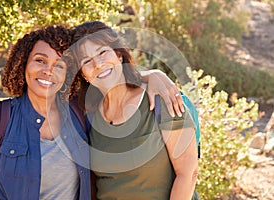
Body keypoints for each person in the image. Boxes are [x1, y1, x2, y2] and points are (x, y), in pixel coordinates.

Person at [0, 25, 184, 199]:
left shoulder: (80, 110)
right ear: (23, 64)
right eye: (40, 60)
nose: (48, 70)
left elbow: (111, 78)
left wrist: (153, 75)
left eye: (59, 65)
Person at [66, 20, 199, 200]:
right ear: (83, 74)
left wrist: (155, 75)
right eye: (86, 61)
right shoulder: (87, 115)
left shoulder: (161, 99)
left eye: (103, 52)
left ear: (119, 55)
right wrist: (151, 74)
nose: (98, 64)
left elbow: (188, 174)